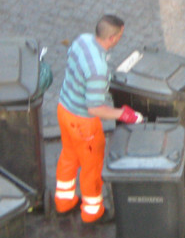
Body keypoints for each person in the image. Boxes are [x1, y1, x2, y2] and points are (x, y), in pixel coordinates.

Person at [55, 15, 144, 223]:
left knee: (69, 155)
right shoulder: (98, 69)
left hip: (64, 109)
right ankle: (93, 212)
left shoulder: (82, 40)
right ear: (112, 38)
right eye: (120, 35)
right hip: (83, 123)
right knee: (91, 167)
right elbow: (95, 108)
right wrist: (123, 114)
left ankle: (64, 201)